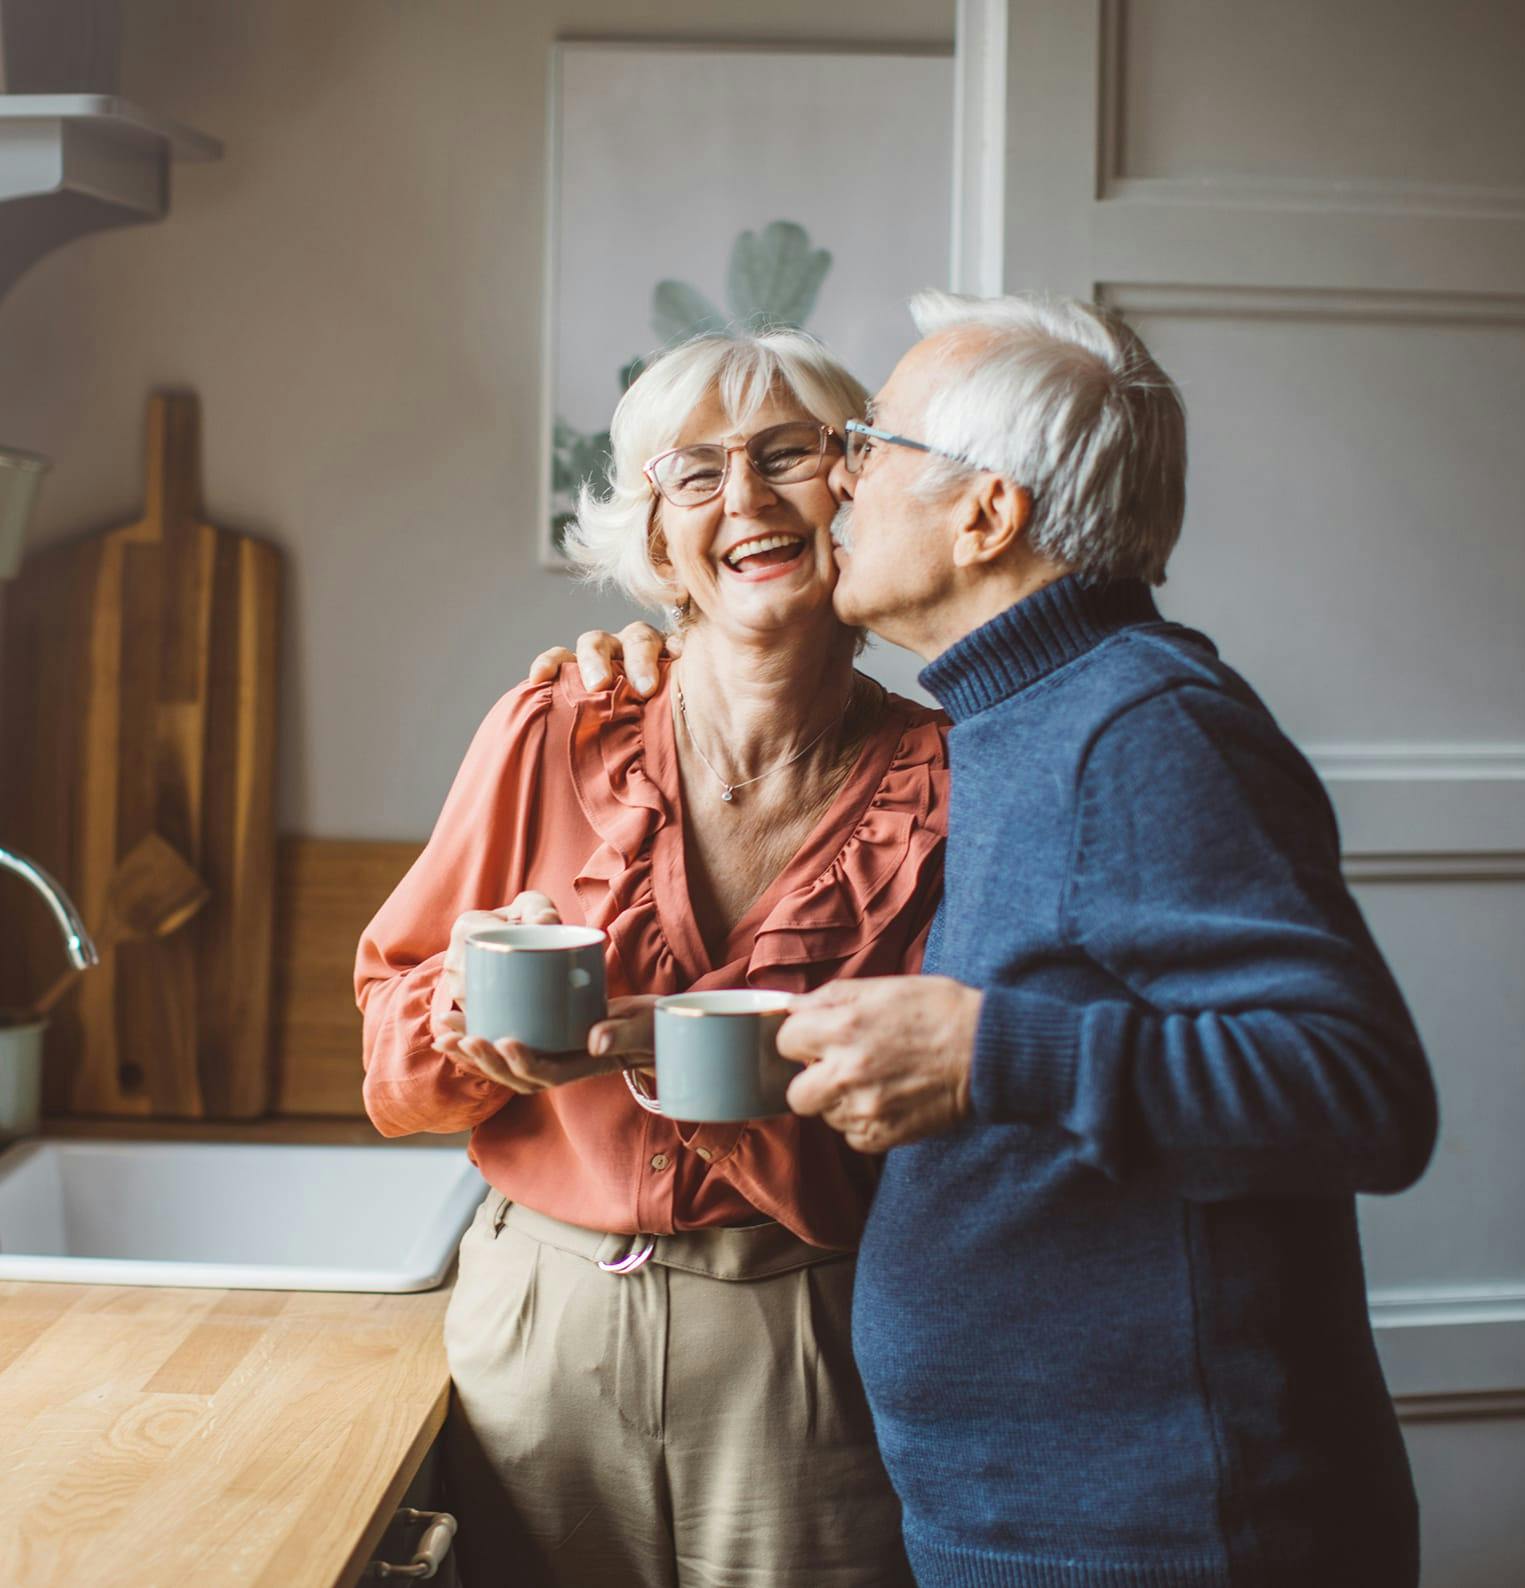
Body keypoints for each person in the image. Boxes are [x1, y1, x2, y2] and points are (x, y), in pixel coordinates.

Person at [534, 291, 1439, 1588]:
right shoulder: (1017, 719)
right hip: (1039, 1512)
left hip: (1161, 1530)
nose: (836, 480)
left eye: (872, 447)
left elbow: (1359, 1092)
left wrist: (984, 1057)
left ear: (986, 512)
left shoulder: (1141, 725)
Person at [354, 327, 947, 1588]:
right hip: (542, 1319)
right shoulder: (551, 724)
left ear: (851, 489)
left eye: (787, 453)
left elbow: (953, 1130)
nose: (743, 498)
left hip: (807, 1328)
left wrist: (739, 1084)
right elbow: (387, 1050)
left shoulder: (948, 785)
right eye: (694, 472)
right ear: (658, 541)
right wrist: (467, 1024)